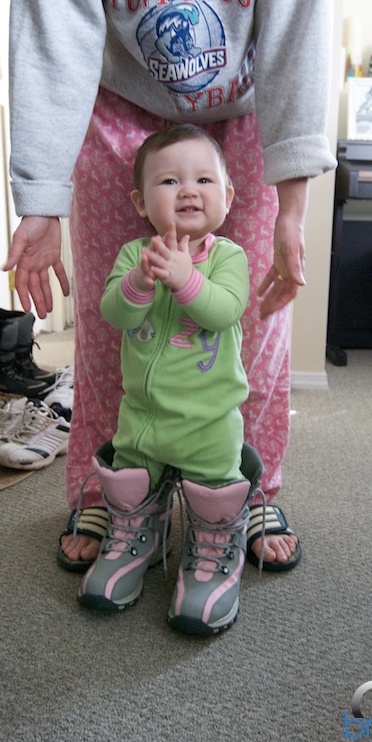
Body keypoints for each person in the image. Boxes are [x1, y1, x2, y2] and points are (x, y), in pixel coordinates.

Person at [4, 0, 336, 572]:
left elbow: (299, 22)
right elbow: (52, 24)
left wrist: (292, 205)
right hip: (114, 107)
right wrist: (42, 200)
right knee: (114, 330)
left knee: (254, 329)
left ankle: (251, 488)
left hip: (245, 112)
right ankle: (111, 487)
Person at [78, 123, 262, 635]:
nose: (187, 190)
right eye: (169, 182)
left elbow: (223, 311)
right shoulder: (135, 256)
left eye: (204, 180)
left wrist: (185, 279)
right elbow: (115, 313)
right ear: (140, 202)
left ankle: (212, 545)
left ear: (227, 196)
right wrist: (139, 282)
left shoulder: (229, 257)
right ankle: (137, 532)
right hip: (141, 414)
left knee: (214, 488)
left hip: (208, 420)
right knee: (131, 475)